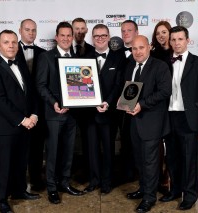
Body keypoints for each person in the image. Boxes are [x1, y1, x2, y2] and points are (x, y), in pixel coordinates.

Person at [0, 29, 40, 213]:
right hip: (7, 127)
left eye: (14, 42)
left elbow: (30, 93)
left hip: (26, 124)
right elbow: (0, 101)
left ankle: (19, 191)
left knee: (21, 161)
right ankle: (1, 198)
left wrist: (34, 114)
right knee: (6, 163)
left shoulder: (22, 64)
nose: (11, 45)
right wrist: (21, 120)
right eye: (6, 42)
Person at [159, 26, 198, 211]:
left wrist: (195, 108)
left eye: (180, 39)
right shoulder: (164, 62)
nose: (176, 43)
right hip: (168, 115)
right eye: (173, 39)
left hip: (187, 117)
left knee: (189, 158)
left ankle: (190, 195)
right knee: (172, 156)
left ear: (187, 40)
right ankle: (175, 190)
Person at [36, 22, 84, 205]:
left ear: (72, 37)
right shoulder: (46, 57)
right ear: (56, 37)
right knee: (53, 152)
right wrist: (54, 103)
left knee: (68, 151)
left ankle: (64, 182)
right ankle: (52, 187)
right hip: (54, 113)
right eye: (62, 35)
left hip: (72, 115)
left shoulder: (76, 58)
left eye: (68, 35)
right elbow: (40, 85)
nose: (65, 39)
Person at [122, 35, 172, 213]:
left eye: (141, 48)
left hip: (152, 123)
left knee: (150, 162)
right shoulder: (130, 67)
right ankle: (143, 189)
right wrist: (126, 105)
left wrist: (141, 105)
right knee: (140, 160)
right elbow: (129, 91)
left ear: (149, 47)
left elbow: (165, 91)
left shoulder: (160, 66)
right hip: (134, 122)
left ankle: (149, 197)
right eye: (134, 49)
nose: (137, 52)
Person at [83, 24, 122, 194]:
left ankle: (107, 182)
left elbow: (118, 84)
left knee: (108, 149)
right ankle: (94, 180)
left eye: (103, 35)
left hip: (109, 112)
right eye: (96, 36)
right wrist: (91, 102)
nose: (100, 38)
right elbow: (80, 85)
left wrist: (107, 102)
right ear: (92, 38)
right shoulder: (84, 57)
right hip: (90, 113)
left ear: (109, 37)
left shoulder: (118, 58)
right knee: (91, 149)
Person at [16, 18, 46, 192]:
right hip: (19, 109)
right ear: (20, 30)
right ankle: (19, 183)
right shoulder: (11, 51)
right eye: (27, 30)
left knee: (37, 146)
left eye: (34, 30)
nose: (31, 33)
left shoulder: (43, 53)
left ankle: (36, 179)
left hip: (38, 107)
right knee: (20, 148)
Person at [70, 17, 95, 183]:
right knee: (69, 141)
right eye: (76, 28)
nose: (79, 31)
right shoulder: (63, 50)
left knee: (88, 142)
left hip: (88, 107)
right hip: (68, 107)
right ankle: (68, 174)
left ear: (86, 30)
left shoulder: (93, 50)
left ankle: (87, 173)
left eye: (82, 28)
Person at [150, 21, 173, 194]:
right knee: (156, 144)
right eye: (158, 33)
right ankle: (156, 177)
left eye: (164, 32)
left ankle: (169, 175)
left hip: (174, 102)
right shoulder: (152, 54)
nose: (161, 36)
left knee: (172, 142)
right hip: (157, 103)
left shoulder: (177, 52)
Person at [116, 20, 139, 183]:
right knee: (124, 139)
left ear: (136, 32)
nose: (125, 33)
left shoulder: (143, 53)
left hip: (137, 105)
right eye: (123, 31)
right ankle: (126, 173)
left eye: (129, 30)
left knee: (136, 141)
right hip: (116, 106)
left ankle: (139, 175)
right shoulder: (115, 53)